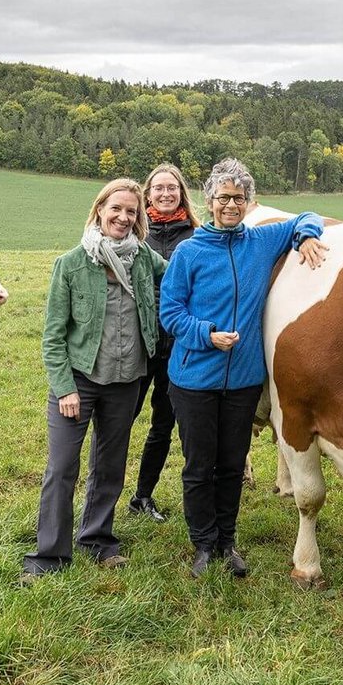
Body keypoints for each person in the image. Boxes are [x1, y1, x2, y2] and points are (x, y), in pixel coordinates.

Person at [159, 158, 328, 579]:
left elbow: (306, 217)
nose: (230, 204)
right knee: (200, 466)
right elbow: (170, 310)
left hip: (243, 381)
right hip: (194, 377)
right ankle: (203, 543)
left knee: (233, 464)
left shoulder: (260, 241)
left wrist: (306, 233)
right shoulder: (189, 251)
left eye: (238, 198)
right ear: (210, 201)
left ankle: (228, 541)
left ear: (249, 202)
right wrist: (206, 333)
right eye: (223, 197)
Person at [22, 179, 168, 584]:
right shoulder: (71, 264)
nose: (124, 217)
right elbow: (53, 336)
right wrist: (65, 387)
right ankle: (50, 554)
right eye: (117, 209)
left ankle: (98, 539)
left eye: (132, 212)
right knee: (62, 467)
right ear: (99, 210)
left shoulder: (143, 259)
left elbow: (181, 275)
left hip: (126, 381)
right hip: (79, 382)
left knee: (110, 464)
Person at [126, 164, 201, 523]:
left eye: (172, 188)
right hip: (140, 342)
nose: (166, 194)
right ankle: (102, 492)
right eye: (159, 188)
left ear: (181, 192)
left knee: (164, 422)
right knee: (121, 419)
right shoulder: (136, 232)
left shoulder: (197, 235)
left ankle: (143, 496)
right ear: (148, 193)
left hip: (179, 346)